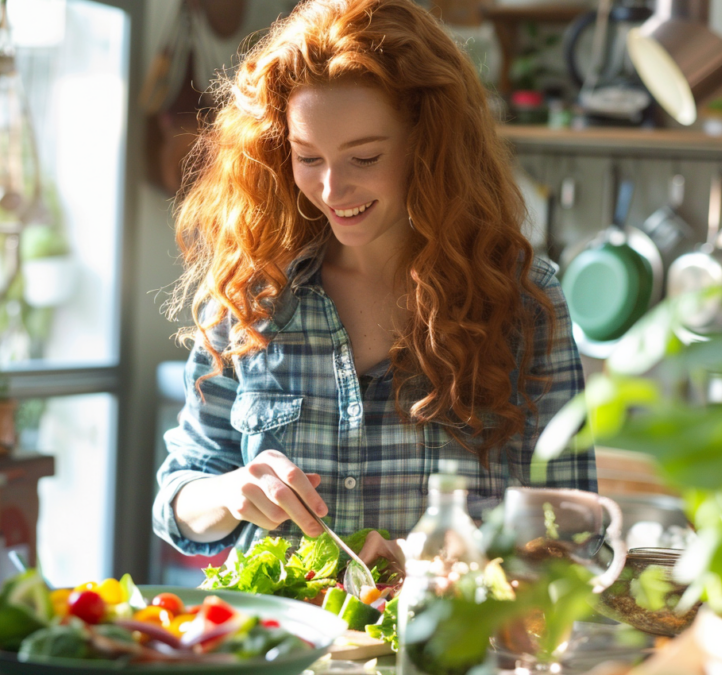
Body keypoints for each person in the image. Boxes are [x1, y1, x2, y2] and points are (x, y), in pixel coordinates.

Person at [153, 0, 596, 570]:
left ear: (428, 145)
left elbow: (578, 531)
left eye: (364, 157)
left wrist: (438, 557)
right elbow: (176, 499)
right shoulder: (251, 293)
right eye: (307, 157)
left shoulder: (519, 301)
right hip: (286, 653)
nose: (333, 188)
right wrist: (228, 493)